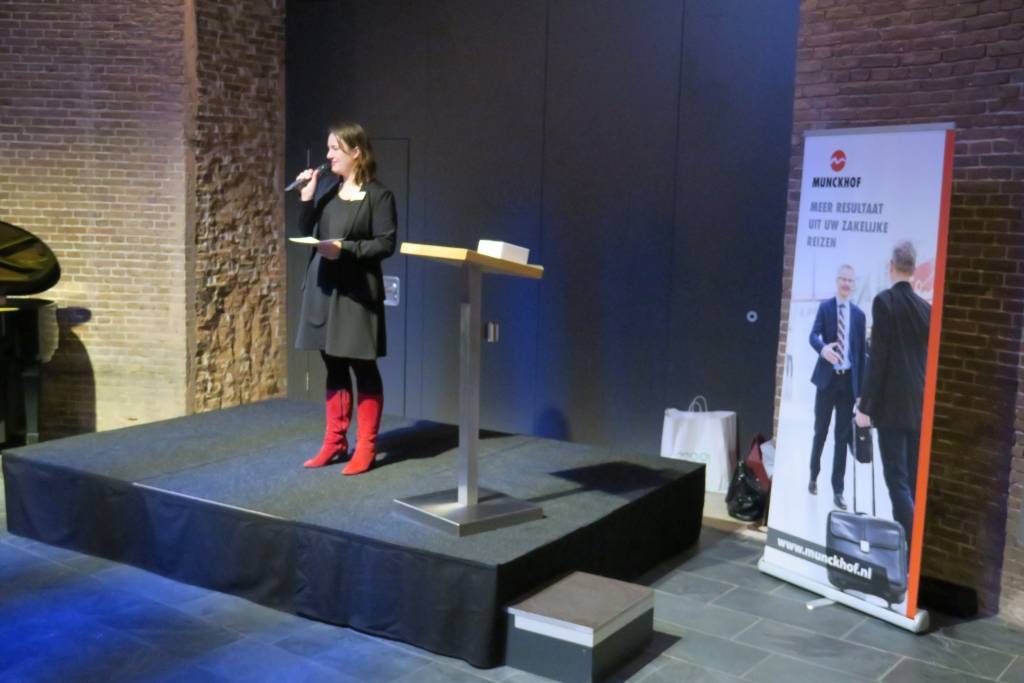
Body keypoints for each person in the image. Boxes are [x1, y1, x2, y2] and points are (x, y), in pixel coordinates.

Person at [293, 121, 397, 475]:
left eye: (334, 149)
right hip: (323, 286)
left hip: (356, 291)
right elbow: (306, 230)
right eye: (328, 148)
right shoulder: (327, 192)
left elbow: (385, 243)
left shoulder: (379, 196)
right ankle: (335, 442)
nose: (328, 156)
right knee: (333, 364)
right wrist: (306, 196)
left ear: (356, 152)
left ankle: (366, 446)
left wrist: (346, 248)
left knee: (362, 365)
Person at [855, 241, 930, 550]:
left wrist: (865, 406)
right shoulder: (926, 309)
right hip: (918, 406)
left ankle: (910, 549)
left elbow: (879, 359)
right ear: (913, 268)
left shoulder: (884, 302)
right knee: (911, 481)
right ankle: (913, 547)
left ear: (891, 266)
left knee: (897, 482)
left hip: (891, 409)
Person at [808, 264, 866, 510]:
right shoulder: (825, 308)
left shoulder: (859, 315)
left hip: (847, 383)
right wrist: (823, 349)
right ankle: (813, 476)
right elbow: (813, 336)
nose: (846, 284)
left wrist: (861, 394)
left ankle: (838, 490)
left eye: (850, 281)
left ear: (854, 285)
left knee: (841, 437)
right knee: (820, 431)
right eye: (843, 279)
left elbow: (861, 355)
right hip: (827, 381)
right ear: (837, 281)